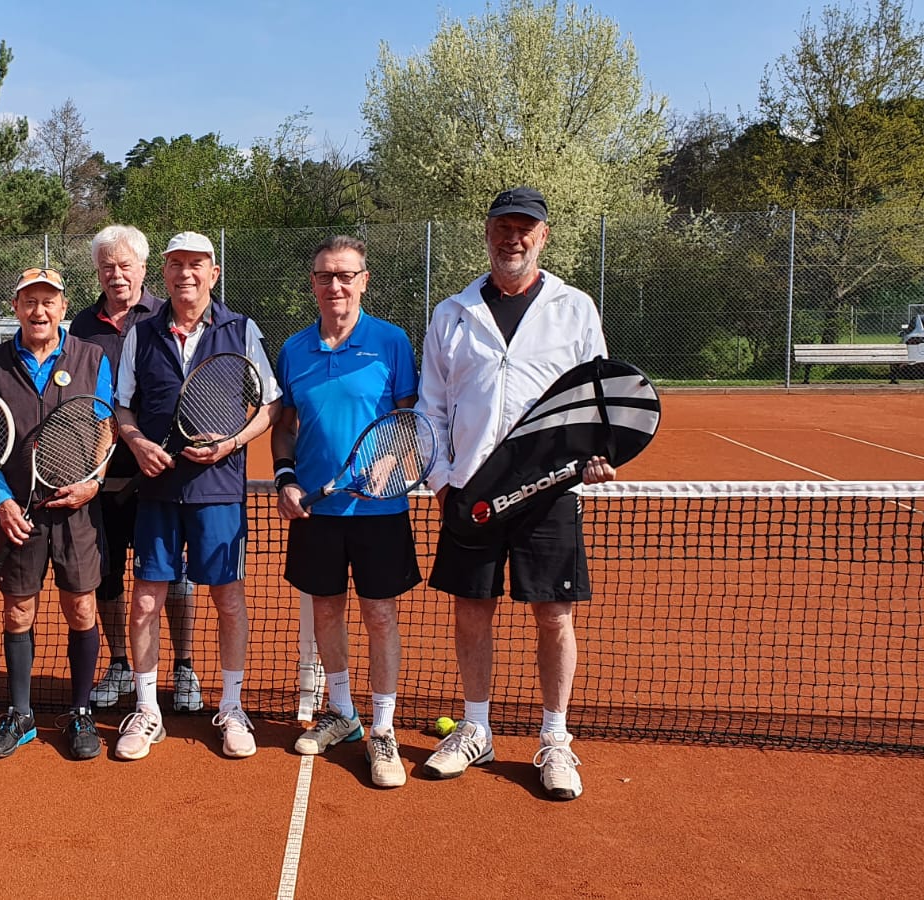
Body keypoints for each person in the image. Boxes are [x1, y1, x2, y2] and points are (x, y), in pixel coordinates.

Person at [415, 187, 615, 800]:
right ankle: (476, 728)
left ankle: (555, 739)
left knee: (553, 614)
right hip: (471, 491)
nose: (513, 238)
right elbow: (433, 407)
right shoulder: (451, 313)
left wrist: (598, 452)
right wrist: (443, 479)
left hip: (551, 490)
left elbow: (597, 394)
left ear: (543, 236)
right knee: (471, 609)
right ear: (487, 233)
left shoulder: (575, 308)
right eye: (503, 227)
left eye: (525, 228)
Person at [113, 231, 281, 761]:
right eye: (176, 264)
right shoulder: (142, 334)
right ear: (164, 273)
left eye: (197, 264)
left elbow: (270, 406)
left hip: (219, 491)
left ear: (213, 273)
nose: (186, 273)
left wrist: (231, 442)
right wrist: (138, 443)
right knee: (145, 602)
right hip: (157, 492)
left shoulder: (242, 329)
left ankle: (230, 707)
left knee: (228, 602)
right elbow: (121, 409)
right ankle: (147, 710)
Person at [274, 235, 420, 789]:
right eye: (324, 276)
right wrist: (286, 478)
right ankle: (343, 712)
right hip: (315, 512)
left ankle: (383, 727)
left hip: (380, 511)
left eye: (345, 275)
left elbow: (411, 419)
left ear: (363, 280)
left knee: (380, 615)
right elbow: (285, 425)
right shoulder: (294, 349)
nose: (335, 285)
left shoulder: (391, 342)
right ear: (312, 284)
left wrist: (397, 464)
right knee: (327, 612)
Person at [0, 267, 114, 761]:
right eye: (29, 301)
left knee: (81, 609)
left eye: (48, 301)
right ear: (16, 307)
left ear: (62, 305)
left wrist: (93, 481)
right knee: (18, 611)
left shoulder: (92, 358)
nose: (39, 311)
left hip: (77, 511)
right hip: (18, 510)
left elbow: (105, 426)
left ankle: (79, 713)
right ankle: (21, 715)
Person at [69, 224, 201, 714]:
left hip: (159, 477)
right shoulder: (81, 325)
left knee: (170, 576)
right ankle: (121, 665)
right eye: (107, 266)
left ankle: (184, 666)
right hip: (101, 480)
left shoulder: (166, 316)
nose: (116, 274)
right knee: (106, 577)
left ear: (145, 270)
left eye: (125, 265)